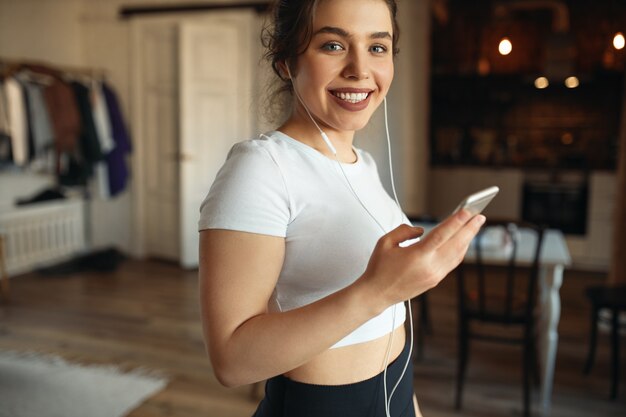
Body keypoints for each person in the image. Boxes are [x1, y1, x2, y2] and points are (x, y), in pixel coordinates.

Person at [198, 0, 486, 416]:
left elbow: (389, 327)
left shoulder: (362, 164)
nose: (360, 70)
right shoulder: (260, 169)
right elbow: (230, 360)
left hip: (397, 392)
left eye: (378, 47)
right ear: (285, 60)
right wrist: (378, 290)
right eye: (333, 45)